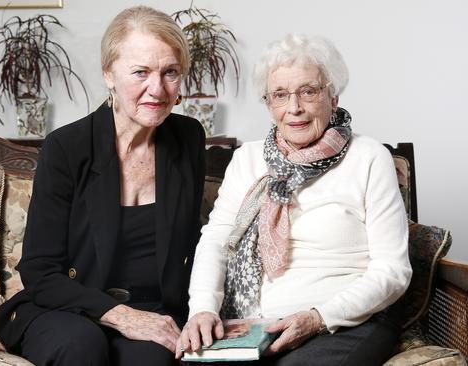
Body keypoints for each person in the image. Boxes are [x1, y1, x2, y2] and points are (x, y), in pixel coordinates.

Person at [176, 34, 412, 366]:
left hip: (344, 322)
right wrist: (202, 308)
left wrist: (319, 317)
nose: (294, 108)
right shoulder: (249, 159)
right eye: (280, 95)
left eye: (308, 91)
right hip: (256, 323)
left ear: (333, 96)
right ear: (268, 103)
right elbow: (216, 240)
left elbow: (393, 269)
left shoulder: (368, 157)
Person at [0, 6, 206, 366]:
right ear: (109, 74)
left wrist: (205, 310)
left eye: (170, 72)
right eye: (140, 72)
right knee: (81, 346)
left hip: (153, 308)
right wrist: (122, 316)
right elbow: (39, 271)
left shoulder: (188, 138)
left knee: (153, 360)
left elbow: (196, 242)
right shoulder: (67, 147)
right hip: (64, 308)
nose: (157, 89)